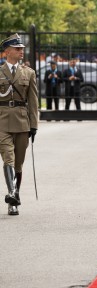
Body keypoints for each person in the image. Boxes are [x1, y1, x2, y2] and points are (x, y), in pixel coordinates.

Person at [0, 33, 39, 215]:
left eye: (22, 48)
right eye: (17, 49)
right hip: (2, 120)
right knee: (8, 157)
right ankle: (12, 195)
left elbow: (33, 100)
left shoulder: (28, 73)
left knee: (18, 164)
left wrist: (34, 124)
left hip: (23, 121)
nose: (21, 51)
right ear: (7, 52)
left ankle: (14, 195)